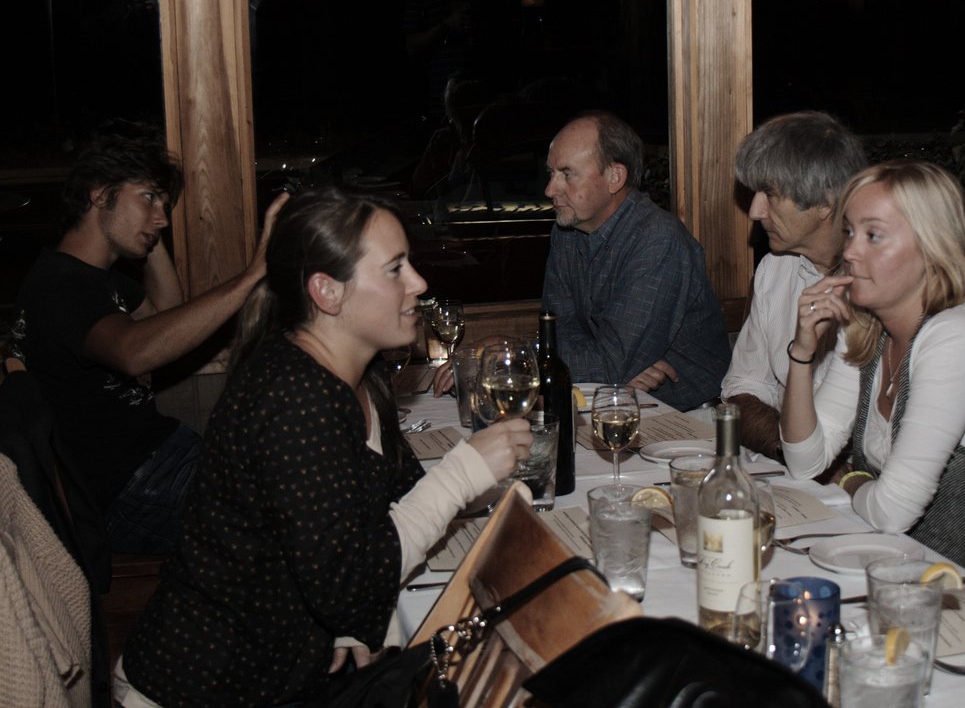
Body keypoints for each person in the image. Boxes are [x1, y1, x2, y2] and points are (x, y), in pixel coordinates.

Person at [115, 187, 532, 707]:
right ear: (327, 293)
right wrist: (464, 471)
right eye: (395, 269)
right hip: (202, 688)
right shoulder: (295, 396)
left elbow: (393, 501)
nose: (419, 283)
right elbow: (350, 584)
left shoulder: (359, 379)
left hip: (275, 678)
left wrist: (349, 620)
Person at [11, 120, 288, 554]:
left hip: (163, 458)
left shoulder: (100, 279)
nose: (163, 217)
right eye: (149, 197)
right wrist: (253, 275)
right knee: (293, 516)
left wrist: (146, 229)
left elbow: (164, 315)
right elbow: (135, 352)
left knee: (295, 466)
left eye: (164, 204)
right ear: (99, 194)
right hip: (130, 490)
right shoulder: (59, 285)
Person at [779, 161, 965, 581]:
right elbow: (804, 462)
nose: (850, 251)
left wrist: (851, 479)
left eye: (873, 235)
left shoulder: (960, 334)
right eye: (850, 232)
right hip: (905, 572)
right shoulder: (867, 325)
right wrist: (802, 352)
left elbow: (891, 513)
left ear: (933, 247)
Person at [541, 111, 730, 411]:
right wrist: (615, 373)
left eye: (567, 174)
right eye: (551, 174)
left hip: (693, 416)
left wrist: (610, 370)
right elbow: (558, 333)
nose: (550, 189)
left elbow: (610, 363)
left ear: (615, 177)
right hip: (617, 402)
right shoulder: (566, 233)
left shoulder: (658, 239)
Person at [720, 111, 868, 459]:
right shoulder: (775, 270)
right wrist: (796, 452)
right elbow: (741, 390)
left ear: (825, 203)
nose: (755, 211)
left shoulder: (874, 287)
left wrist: (815, 461)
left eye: (770, 194)